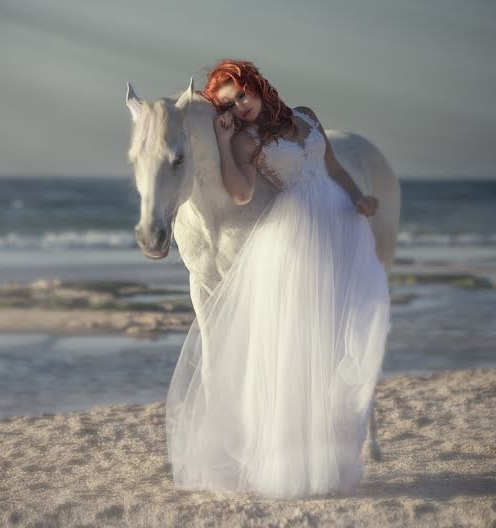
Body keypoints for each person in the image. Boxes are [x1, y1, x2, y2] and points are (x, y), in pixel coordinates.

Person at [165, 59, 392, 499]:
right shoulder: (246, 139)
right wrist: (228, 140)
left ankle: (336, 444)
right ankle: (293, 458)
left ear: (257, 86)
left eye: (243, 95)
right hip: (297, 231)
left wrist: (359, 197)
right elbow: (242, 193)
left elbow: (334, 168)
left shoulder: (306, 116)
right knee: (301, 346)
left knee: (346, 333)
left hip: (340, 222)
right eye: (230, 104)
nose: (242, 106)